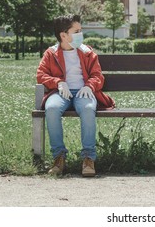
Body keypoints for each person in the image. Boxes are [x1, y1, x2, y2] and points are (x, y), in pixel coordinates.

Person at [37, 14, 115, 177]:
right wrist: (58, 82)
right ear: (63, 35)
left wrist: (89, 86)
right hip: (61, 93)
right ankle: (59, 158)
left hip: (83, 92)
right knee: (51, 108)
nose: (81, 34)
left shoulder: (87, 52)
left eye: (81, 30)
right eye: (77, 31)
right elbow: (41, 75)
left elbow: (97, 75)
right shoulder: (51, 53)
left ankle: (88, 158)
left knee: (87, 109)